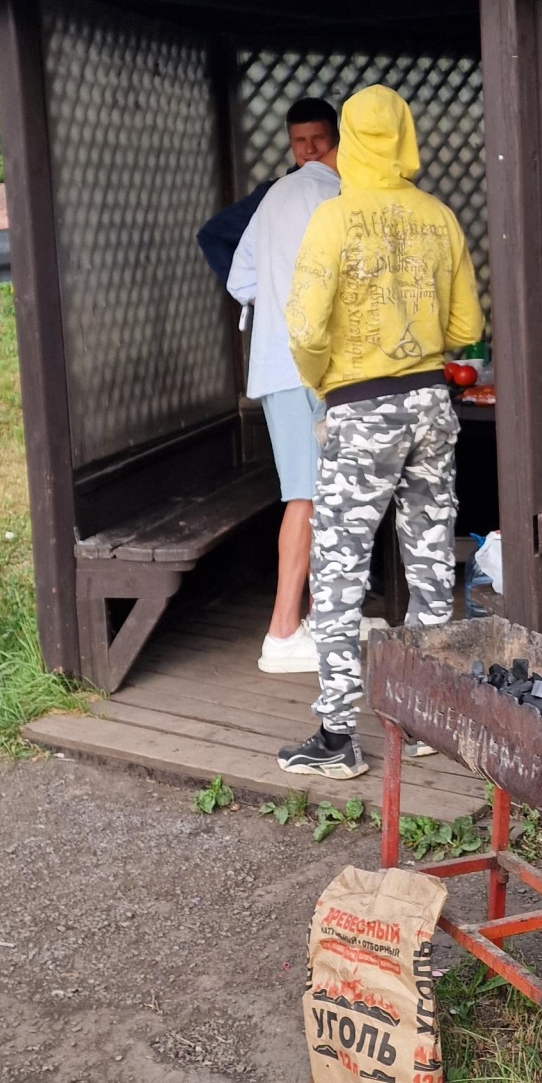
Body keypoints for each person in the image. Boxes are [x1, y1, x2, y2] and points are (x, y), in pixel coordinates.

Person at [276, 82, 483, 777]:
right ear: (405, 137)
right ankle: (427, 719)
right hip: (430, 402)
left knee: (339, 570)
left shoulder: (333, 220)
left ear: (351, 142)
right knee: (429, 563)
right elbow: (466, 329)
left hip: (360, 405)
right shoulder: (440, 218)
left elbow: (303, 327)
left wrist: (326, 384)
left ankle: (338, 734)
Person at [226, 97, 341, 672]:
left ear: (333, 139)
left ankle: (321, 619)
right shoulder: (335, 195)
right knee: (308, 495)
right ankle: (282, 632)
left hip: (275, 365)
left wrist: (273, 305)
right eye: (302, 142)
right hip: (307, 368)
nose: (310, 151)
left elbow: (238, 279)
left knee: (315, 492)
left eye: (317, 140)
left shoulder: (272, 197)